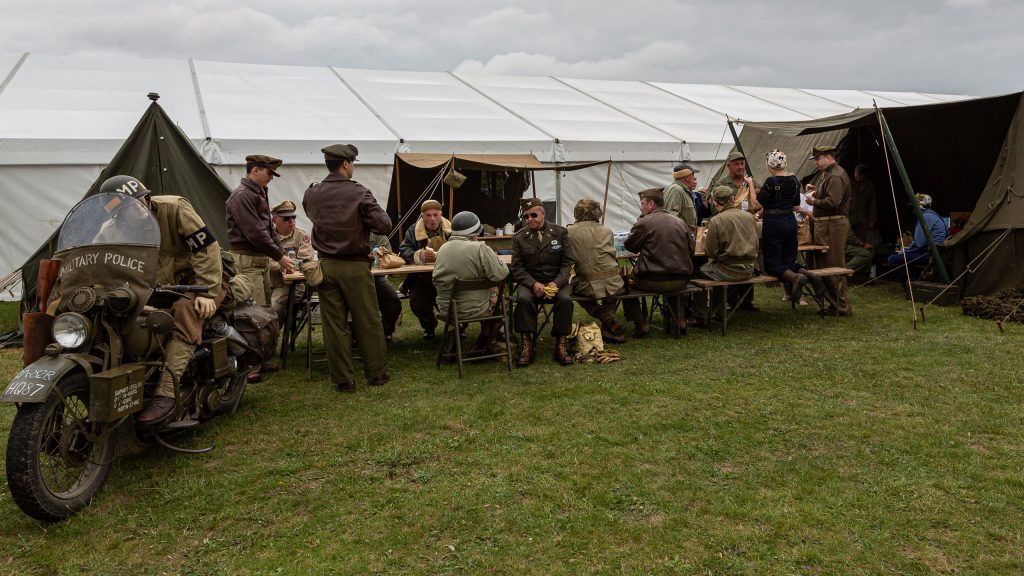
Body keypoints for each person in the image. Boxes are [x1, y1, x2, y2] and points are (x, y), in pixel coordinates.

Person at [96, 176, 223, 424]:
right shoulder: (109, 232)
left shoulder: (174, 208)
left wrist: (206, 291)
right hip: (154, 288)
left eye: (141, 199)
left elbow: (206, 249)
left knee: (186, 309)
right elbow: (102, 269)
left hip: (200, 279)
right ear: (117, 214)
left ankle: (167, 393)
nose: (140, 206)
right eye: (129, 206)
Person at [303, 144, 392, 391]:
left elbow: (311, 215)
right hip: (354, 265)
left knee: (334, 325)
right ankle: (376, 374)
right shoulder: (359, 193)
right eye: (352, 163)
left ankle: (344, 380)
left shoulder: (313, 193)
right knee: (368, 321)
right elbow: (384, 225)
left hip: (325, 266)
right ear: (345, 164)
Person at [432, 211, 510, 358]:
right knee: (501, 304)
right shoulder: (479, 248)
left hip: (447, 308)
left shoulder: (443, 248)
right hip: (474, 309)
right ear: (475, 231)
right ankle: (482, 344)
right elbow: (501, 274)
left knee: (470, 297)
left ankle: (450, 346)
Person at [756, 149, 826, 307]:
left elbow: (756, 205)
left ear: (770, 165)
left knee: (772, 263)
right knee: (788, 259)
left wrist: (750, 187)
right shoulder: (794, 180)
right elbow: (795, 206)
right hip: (790, 221)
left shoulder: (771, 182)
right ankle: (809, 274)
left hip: (774, 222)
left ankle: (795, 278)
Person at [510, 197, 574, 367]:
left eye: (533, 215)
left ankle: (561, 345)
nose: (529, 219)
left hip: (556, 281)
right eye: (526, 216)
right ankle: (527, 345)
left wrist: (556, 283)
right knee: (523, 299)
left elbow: (567, 263)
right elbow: (516, 268)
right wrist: (533, 284)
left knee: (565, 299)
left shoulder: (560, 232)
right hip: (531, 282)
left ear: (543, 214)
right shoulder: (519, 238)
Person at [623, 188, 694, 335]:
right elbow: (692, 249)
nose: (640, 207)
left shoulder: (644, 223)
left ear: (651, 204)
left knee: (623, 284)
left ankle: (641, 323)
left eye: (642, 203)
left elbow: (630, 246)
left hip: (652, 280)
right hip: (681, 279)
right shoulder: (680, 222)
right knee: (672, 283)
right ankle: (679, 320)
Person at [226, 155, 293, 307]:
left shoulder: (257, 193)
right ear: (255, 170)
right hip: (247, 261)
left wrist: (281, 256)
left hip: (258, 260)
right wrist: (279, 256)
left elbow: (269, 229)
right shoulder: (242, 195)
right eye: (269, 173)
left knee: (263, 312)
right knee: (253, 315)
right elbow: (255, 233)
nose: (271, 178)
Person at [691, 186, 761, 325]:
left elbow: (711, 252)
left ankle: (700, 317)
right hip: (749, 269)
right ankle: (719, 312)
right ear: (732, 199)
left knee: (696, 273)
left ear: (715, 202)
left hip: (729, 270)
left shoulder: (717, 220)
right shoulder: (749, 216)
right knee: (714, 271)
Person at [566, 198, 633, 343]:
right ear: (598, 213)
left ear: (576, 213)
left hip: (588, 285)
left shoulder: (569, 232)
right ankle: (609, 324)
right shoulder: (607, 231)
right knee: (611, 293)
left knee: (573, 290)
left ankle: (606, 319)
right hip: (614, 282)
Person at [805, 145, 853, 316]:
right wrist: (817, 193)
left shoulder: (835, 175)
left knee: (834, 267)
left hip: (833, 225)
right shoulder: (830, 174)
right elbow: (830, 197)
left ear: (828, 157)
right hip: (828, 224)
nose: (816, 163)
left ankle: (842, 306)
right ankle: (835, 304)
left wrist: (813, 202)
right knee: (826, 266)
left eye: (818, 159)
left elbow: (833, 203)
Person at [398, 199, 452, 339]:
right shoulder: (413, 230)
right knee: (418, 302)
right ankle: (429, 326)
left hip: (447, 275)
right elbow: (404, 249)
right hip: (421, 277)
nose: (432, 219)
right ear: (422, 216)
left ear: (441, 215)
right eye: (428, 215)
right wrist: (419, 255)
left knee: (455, 300)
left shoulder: (451, 229)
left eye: (435, 214)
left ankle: (456, 326)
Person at [886, 193, 948, 290]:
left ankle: (910, 288)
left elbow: (919, 243)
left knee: (893, 259)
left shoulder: (926, 217)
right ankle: (914, 283)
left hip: (930, 254)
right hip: (935, 253)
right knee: (900, 256)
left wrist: (904, 250)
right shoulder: (933, 215)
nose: (913, 210)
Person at [268, 200, 314, 326]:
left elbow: (306, 261)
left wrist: (283, 266)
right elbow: (263, 261)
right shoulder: (266, 237)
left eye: (293, 217)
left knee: (274, 307)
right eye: (286, 218)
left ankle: (271, 341)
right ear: (274, 220)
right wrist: (281, 265)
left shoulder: (301, 236)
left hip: (290, 286)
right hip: (268, 283)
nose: (291, 221)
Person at [370, 233, 403, 344]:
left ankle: (385, 332)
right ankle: (355, 335)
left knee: (393, 301)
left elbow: (387, 251)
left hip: (375, 276)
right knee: (359, 305)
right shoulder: (346, 228)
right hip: (353, 277)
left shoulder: (375, 232)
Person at [663, 163, 701, 228]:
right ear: (687, 178)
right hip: (681, 235)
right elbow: (672, 217)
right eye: (693, 175)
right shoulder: (676, 190)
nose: (694, 179)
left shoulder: (683, 190)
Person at [851, 164, 879, 242]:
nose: (858, 178)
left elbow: (872, 203)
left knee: (862, 235)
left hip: (862, 215)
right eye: (856, 176)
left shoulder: (869, 185)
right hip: (851, 214)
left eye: (860, 176)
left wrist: (871, 220)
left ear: (864, 175)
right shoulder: (850, 183)